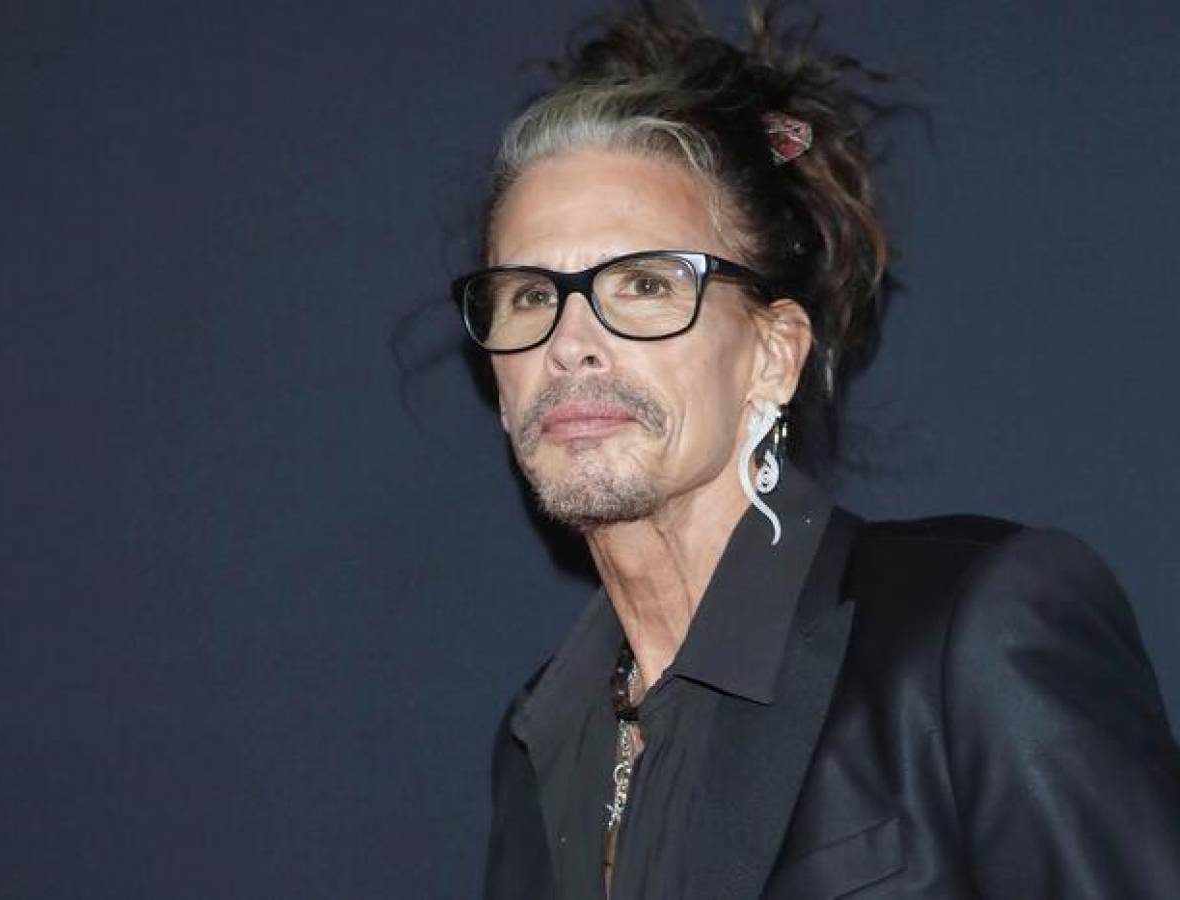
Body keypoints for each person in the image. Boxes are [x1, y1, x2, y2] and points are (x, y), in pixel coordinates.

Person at [452, 3, 1180, 897]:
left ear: (773, 355)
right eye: (530, 295)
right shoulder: (538, 740)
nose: (571, 343)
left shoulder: (970, 637)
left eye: (643, 284)